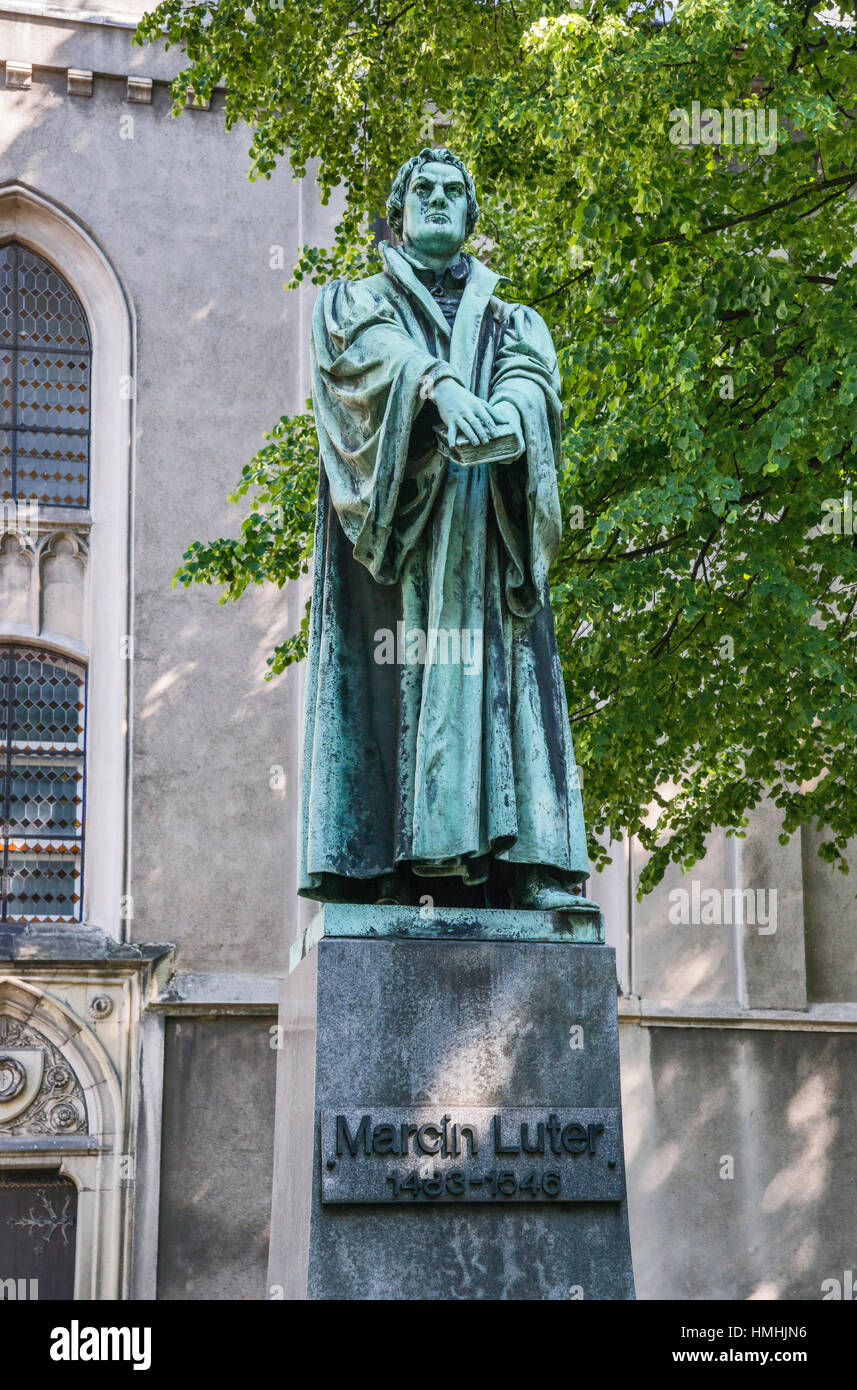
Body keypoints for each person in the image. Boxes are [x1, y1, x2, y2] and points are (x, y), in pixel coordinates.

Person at [299, 147, 589, 910]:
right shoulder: (353, 300)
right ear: (398, 211)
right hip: (394, 545)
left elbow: (531, 378)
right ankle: (380, 868)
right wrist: (437, 386)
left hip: (483, 534)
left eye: (451, 191)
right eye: (419, 189)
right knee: (381, 682)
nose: (435, 199)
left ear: (469, 214)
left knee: (511, 682)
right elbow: (362, 354)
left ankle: (528, 865)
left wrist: (508, 414)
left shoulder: (507, 318)